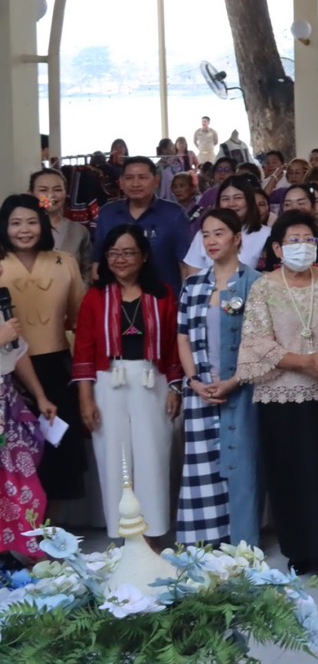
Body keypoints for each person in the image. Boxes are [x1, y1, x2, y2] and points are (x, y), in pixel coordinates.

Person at [235, 213, 318, 574]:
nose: (302, 246)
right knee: (289, 473)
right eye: (293, 240)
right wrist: (303, 362)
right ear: (279, 248)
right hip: (280, 396)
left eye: (308, 239)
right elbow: (256, 342)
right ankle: (299, 549)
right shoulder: (264, 288)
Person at [72, 224, 182, 542]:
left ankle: (154, 533)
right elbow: (83, 349)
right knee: (113, 459)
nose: (120, 259)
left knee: (153, 458)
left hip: (153, 381)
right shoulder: (95, 297)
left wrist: (175, 387)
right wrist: (86, 399)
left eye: (128, 252)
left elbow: (175, 344)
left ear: (144, 256)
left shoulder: (162, 294)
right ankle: (124, 536)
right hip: (108, 383)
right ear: (105, 258)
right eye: (113, 253)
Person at [174, 209, 264, 547]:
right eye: (206, 234)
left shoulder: (255, 283)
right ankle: (206, 542)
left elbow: (261, 342)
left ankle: (242, 542)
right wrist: (194, 380)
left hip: (242, 386)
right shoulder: (194, 285)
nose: (212, 241)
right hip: (200, 387)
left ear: (237, 237)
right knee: (202, 466)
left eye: (220, 233)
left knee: (242, 466)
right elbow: (182, 336)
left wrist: (235, 380)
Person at [0, 194, 88, 503]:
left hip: (56, 366)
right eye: (15, 223)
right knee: (14, 450)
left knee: (58, 445)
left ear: (43, 225)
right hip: (8, 371)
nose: (24, 230)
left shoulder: (65, 262)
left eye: (31, 222)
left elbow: (80, 320)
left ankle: (55, 529)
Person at [0, 304, 54, 557]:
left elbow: (17, 353)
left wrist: (40, 396)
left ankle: (19, 550)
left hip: (7, 403)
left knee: (24, 485)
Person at [93, 156, 191, 289]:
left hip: (164, 302)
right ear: (121, 182)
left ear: (156, 181)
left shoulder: (174, 214)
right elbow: (97, 263)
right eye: (129, 178)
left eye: (142, 177)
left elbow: (186, 266)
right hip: (117, 302)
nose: (135, 184)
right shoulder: (107, 214)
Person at [30, 169, 92, 282]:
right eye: (43, 190)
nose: (51, 195)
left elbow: (87, 270)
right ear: (31, 193)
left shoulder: (79, 231)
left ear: (65, 192)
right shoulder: (21, 231)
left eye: (57, 189)